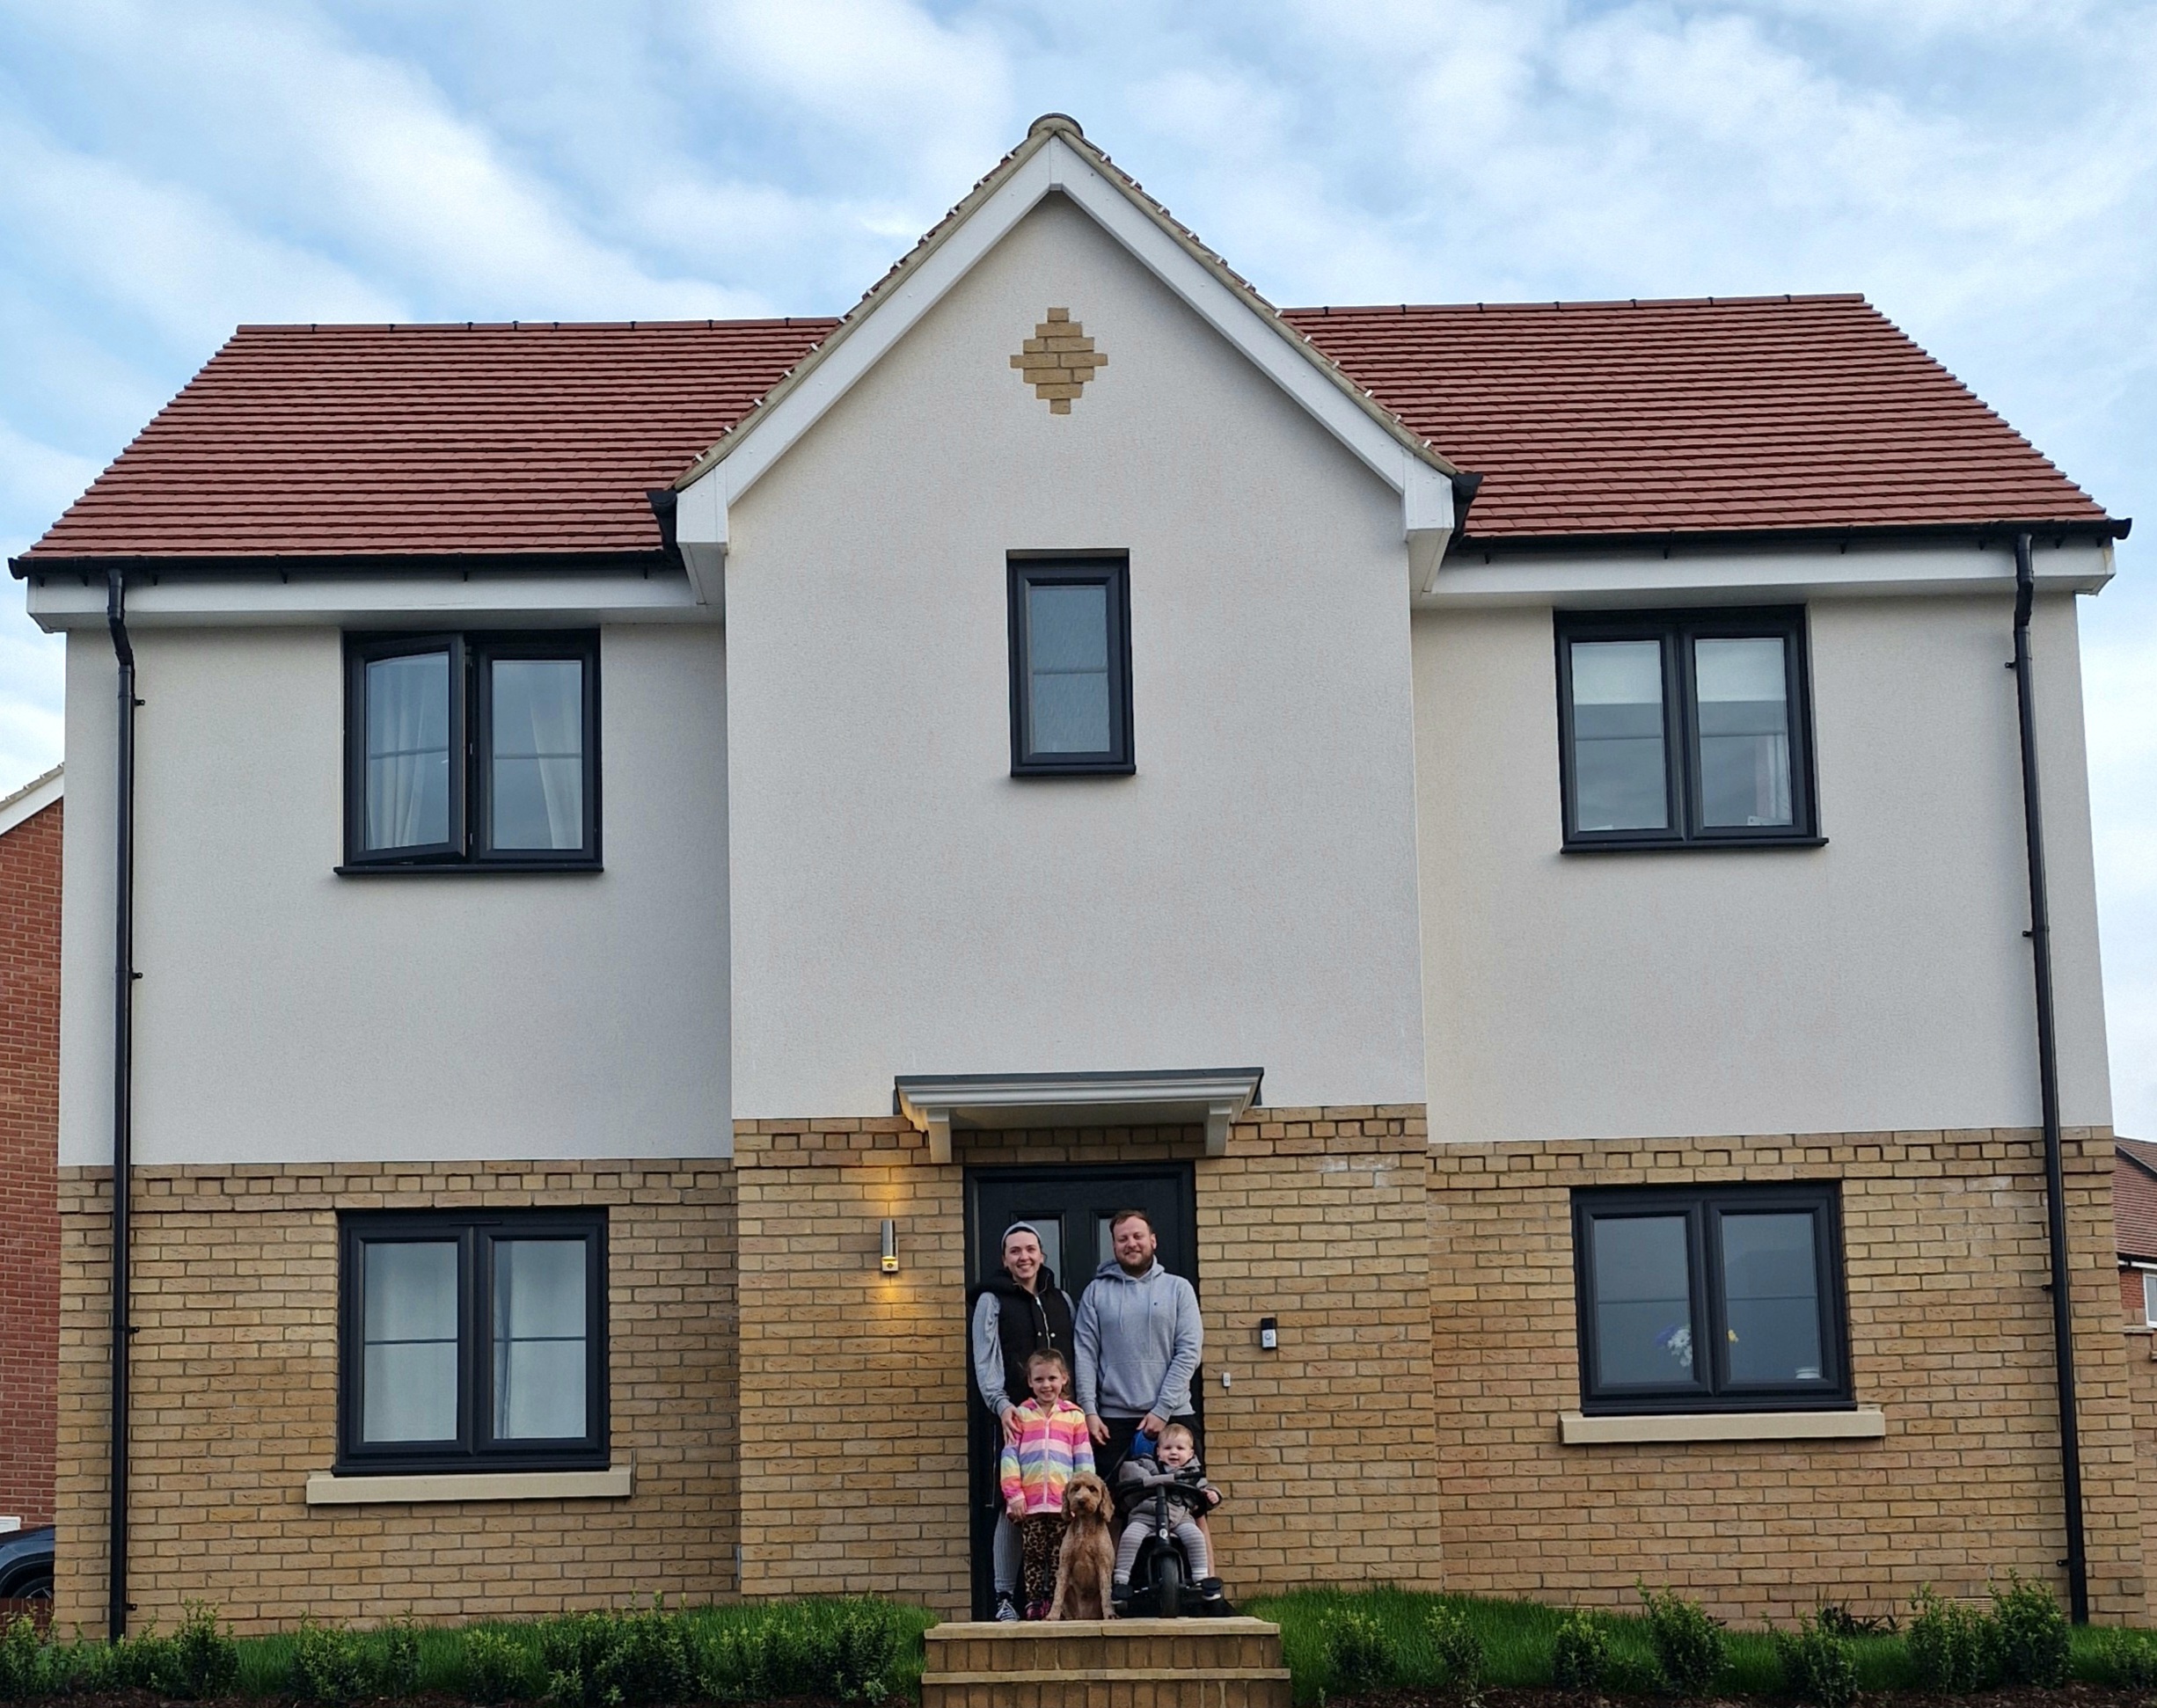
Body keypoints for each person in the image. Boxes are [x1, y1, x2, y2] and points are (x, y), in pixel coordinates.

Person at [969, 1221, 1077, 1622]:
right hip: (1012, 1419)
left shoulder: (1062, 1299)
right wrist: (1000, 1405)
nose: (1024, 1257)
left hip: (1060, 1423)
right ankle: (1004, 1599)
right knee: (1009, 1507)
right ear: (1004, 1259)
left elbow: (1077, 1357)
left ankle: (1055, 1597)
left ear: (1042, 1255)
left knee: (1060, 1505)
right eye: (1015, 1251)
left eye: (1030, 1249)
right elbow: (986, 1358)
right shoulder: (991, 1300)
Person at [1073, 1208, 1203, 1478]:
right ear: (1114, 1245)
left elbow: (1189, 1352)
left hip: (1173, 1416)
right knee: (1111, 1508)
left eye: (1137, 1236)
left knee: (1191, 1502)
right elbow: (1084, 1354)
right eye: (1123, 1239)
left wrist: (1162, 1409)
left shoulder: (1179, 1289)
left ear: (1152, 1240)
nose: (1131, 1243)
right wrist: (1089, 1411)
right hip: (1112, 1422)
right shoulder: (1096, 1292)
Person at [998, 1349, 1096, 1619]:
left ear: (1064, 1378)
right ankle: (1033, 1603)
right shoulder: (1020, 1414)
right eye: (1039, 1379)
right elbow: (1009, 1458)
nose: (1046, 1385)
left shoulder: (1074, 1416)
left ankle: (1057, 1604)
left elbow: (1084, 1461)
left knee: (1060, 1558)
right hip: (1030, 1505)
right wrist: (1013, 1495)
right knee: (1033, 1555)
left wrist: (1082, 1500)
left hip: (1062, 1505)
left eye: (1052, 1378)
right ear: (1030, 1382)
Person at [1111, 1421, 1225, 1613]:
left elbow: (1206, 1488)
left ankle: (1201, 1580)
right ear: (1158, 1452)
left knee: (1196, 1537)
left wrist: (1213, 1494)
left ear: (1191, 1454)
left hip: (1181, 1518)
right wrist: (1151, 1482)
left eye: (1180, 1448)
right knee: (1130, 1536)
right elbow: (1128, 1473)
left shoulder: (1193, 1474)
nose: (1173, 1452)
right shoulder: (1145, 1466)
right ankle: (1121, 1581)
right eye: (1167, 1448)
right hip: (1145, 1517)